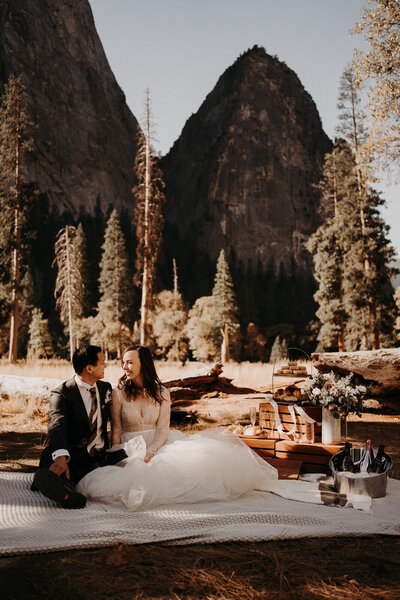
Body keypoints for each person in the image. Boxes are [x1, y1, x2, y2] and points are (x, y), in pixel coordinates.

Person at [77, 344, 278, 511]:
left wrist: (151, 451)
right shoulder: (118, 392)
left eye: (129, 362)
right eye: (123, 363)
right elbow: (117, 429)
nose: (124, 367)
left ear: (143, 363)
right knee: (127, 481)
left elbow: (163, 429)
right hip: (129, 447)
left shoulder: (162, 392)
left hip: (159, 444)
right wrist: (119, 455)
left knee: (182, 473)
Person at [32, 345, 126, 509]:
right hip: (75, 452)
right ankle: (65, 490)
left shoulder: (105, 389)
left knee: (123, 457)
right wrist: (61, 458)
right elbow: (57, 424)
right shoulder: (62, 393)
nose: (106, 365)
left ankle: (62, 484)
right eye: (102, 362)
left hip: (100, 454)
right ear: (89, 368)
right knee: (53, 455)